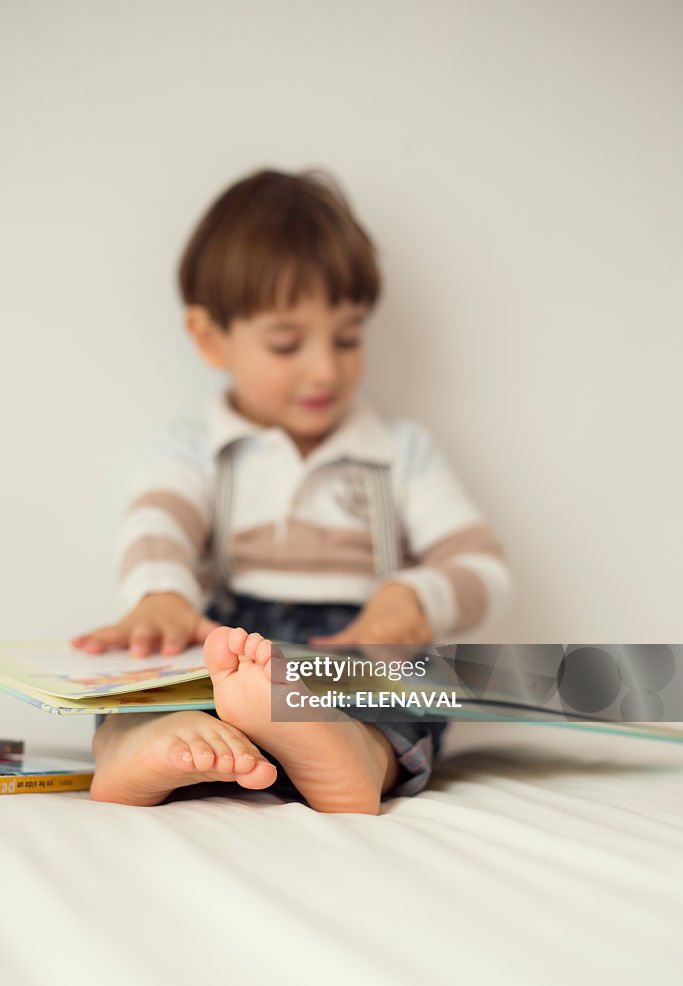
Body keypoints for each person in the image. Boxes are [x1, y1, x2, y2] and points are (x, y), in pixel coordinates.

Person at [72, 167, 513, 814]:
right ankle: (137, 743)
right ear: (210, 338)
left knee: (411, 691)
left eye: (347, 337)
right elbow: (155, 523)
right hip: (230, 640)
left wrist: (414, 599)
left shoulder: (400, 452)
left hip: (354, 649)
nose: (325, 368)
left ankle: (354, 751)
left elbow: (482, 565)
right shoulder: (195, 450)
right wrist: (160, 594)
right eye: (286, 342)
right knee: (151, 685)